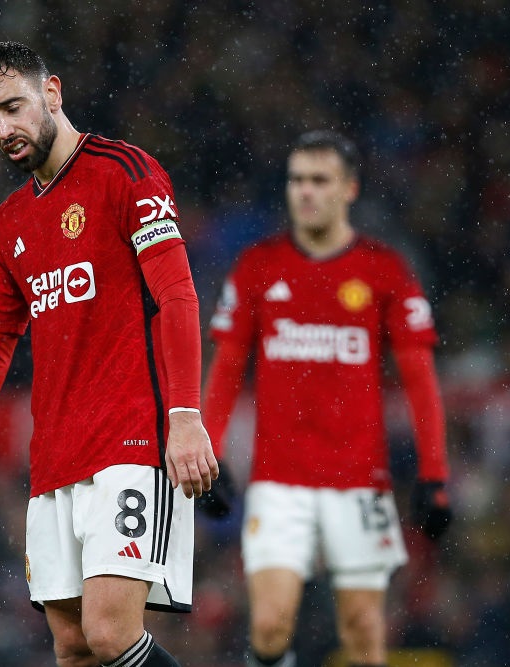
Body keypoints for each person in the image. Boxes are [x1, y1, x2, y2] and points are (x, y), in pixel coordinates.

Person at [0, 41, 218, 667]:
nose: (4, 130)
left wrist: (185, 415)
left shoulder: (127, 172)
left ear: (52, 93)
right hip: (55, 458)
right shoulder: (7, 225)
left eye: (13, 107)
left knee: (110, 633)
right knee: (72, 648)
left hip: (132, 441)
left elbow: (177, 294)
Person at [202, 130, 453, 667]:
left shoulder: (384, 271)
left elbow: (421, 381)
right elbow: (225, 370)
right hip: (279, 481)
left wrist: (434, 473)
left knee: (363, 632)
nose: (306, 192)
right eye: (297, 180)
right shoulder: (258, 267)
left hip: (360, 481)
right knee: (269, 627)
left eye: (320, 180)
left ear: (349, 189)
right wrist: (210, 455)